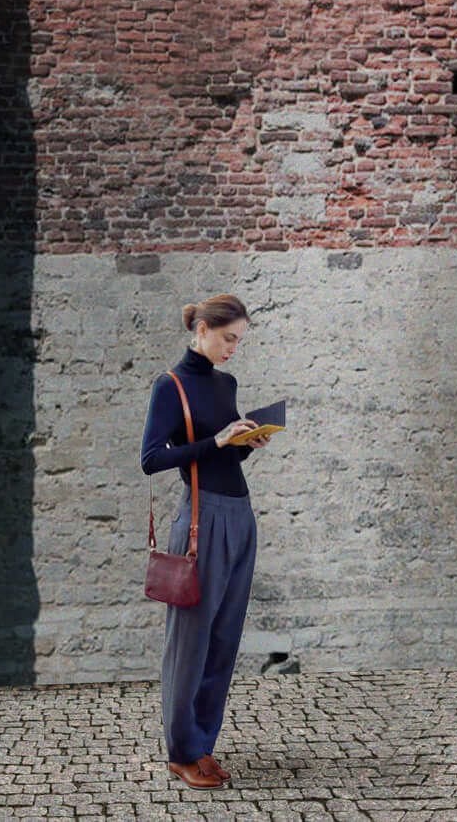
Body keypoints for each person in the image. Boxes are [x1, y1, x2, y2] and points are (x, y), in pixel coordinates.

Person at [141, 295, 275, 790]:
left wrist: (244, 444)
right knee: (191, 641)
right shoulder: (169, 386)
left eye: (239, 341)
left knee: (223, 640)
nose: (232, 349)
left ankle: (203, 745)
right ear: (200, 329)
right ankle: (180, 751)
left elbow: (222, 460)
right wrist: (216, 442)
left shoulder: (226, 384)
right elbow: (152, 458)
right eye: (227, 338)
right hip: (200, 522)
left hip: (239, 517)